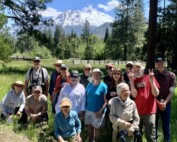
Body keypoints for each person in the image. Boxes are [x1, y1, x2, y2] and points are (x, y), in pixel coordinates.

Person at [129, 62, 159, 142]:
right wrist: (131, 81)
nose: (136, 70)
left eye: (138, 68)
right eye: (135, 69)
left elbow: (156, 93)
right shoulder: (134, 80)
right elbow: (134, 95)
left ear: (142, 69)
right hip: (137, 112)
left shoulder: (149, 77)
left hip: (150, 111)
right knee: (137, 135)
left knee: (150, 136)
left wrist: (151, 81)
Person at [154, 57, 176, 142]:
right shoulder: (153, 75)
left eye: (162, 63)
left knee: (166, 125)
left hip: (167, 104)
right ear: (156, 64)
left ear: (165, 63)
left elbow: (172, 91)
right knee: (154, 125)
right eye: (158, 63)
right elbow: (150, 91)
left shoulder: (171, 75)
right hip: (155, 103)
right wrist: (158, 103)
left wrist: (165, 103)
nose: (160, 64)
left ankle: (167, 140)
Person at [85, 68, 108, 142]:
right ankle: (90, 140)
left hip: (98, 111)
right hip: (88, 110)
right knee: (89, 128)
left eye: (98, 74)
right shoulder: (89, 85)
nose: (96, 76)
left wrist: (101, 111)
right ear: (92, 75)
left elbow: (106, 101)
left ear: (100, 75)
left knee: (97, 130)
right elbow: (86, 97)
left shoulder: (103, 86)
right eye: (94, 74)